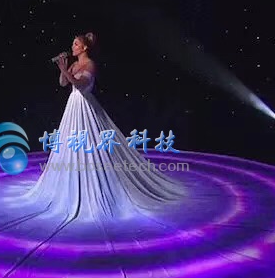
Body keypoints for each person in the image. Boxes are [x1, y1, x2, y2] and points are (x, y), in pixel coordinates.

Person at [23, 32, 186, 222]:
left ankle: (96, 185)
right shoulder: (74, 65)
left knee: (92, 144)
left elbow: (80, 84)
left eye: (76, 44)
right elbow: (63, 83)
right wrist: (63, 69)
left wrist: (65, 71)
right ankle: (74, 183)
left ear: (84, 47)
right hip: (73, 106)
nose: (73, 47)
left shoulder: (89, 64)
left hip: (85, 106)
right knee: (71, 144)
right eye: (73, 44)